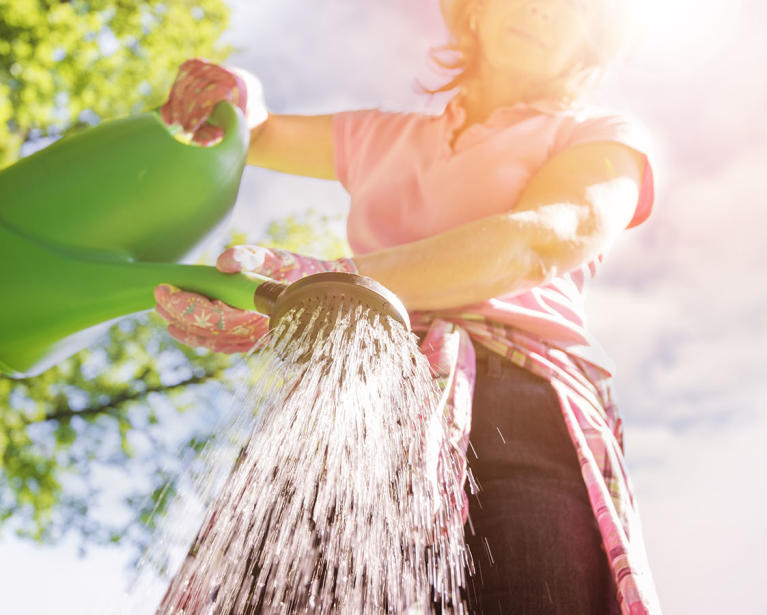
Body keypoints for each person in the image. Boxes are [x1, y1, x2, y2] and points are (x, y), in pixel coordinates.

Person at [154, 0, 661, 613]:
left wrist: (330, 284)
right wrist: (238, 97)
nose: (542, 11)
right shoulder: (379, 137)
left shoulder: (600, 137)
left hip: (521, 411)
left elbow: (544, 237)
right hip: (355, 394)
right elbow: (249, 133)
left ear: (591, 42)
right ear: (475, 11)